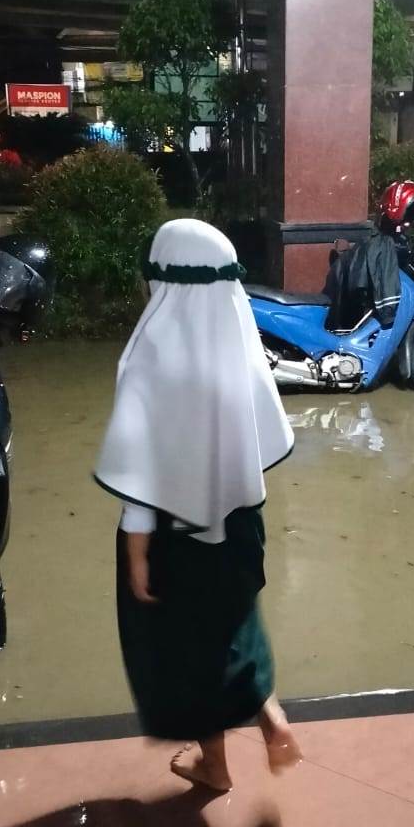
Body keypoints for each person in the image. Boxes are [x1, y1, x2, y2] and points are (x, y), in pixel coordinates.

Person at [95, 218, 302, 793]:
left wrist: (137, 555)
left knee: (188, 652)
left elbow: (142, 473)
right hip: (240, 524)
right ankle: (273, 721)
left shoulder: (151, 358)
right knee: (235, 627)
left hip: (173, 537)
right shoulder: (240, 348)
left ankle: (214, 766)